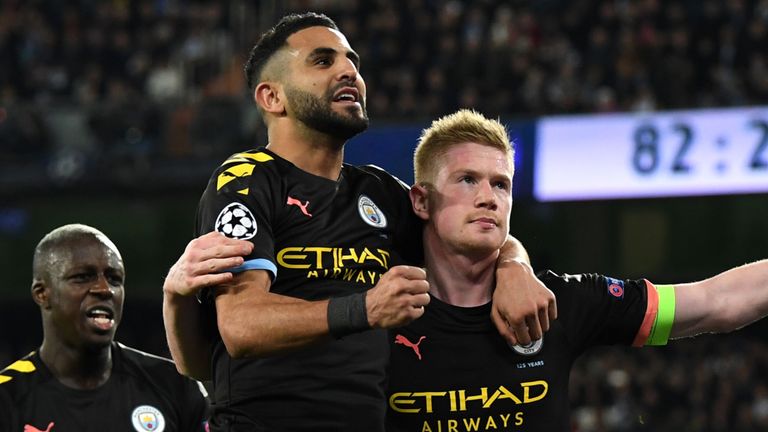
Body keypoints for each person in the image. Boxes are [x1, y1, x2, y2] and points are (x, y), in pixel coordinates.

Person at [162, 12, 554, 432]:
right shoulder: (246, 180)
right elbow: (240, 326)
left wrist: (514, 265)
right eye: (322, 61)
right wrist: (365, 308)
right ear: (272, 98)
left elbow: (471, 226)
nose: (348, 71)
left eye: (352, 61)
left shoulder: (379, 192)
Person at [384, 109, 768, 431]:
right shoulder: (382, 311)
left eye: (501, 185)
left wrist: (515, 264)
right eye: (467, 180)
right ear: (420, 200)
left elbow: (715, 301)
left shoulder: (558, 303)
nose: (489, 198)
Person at [0, 224, 209, 432]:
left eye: (114, 279)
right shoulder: (8, 397)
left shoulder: (174, 386)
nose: (105, 289)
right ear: (42, 294)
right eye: (82, 277)